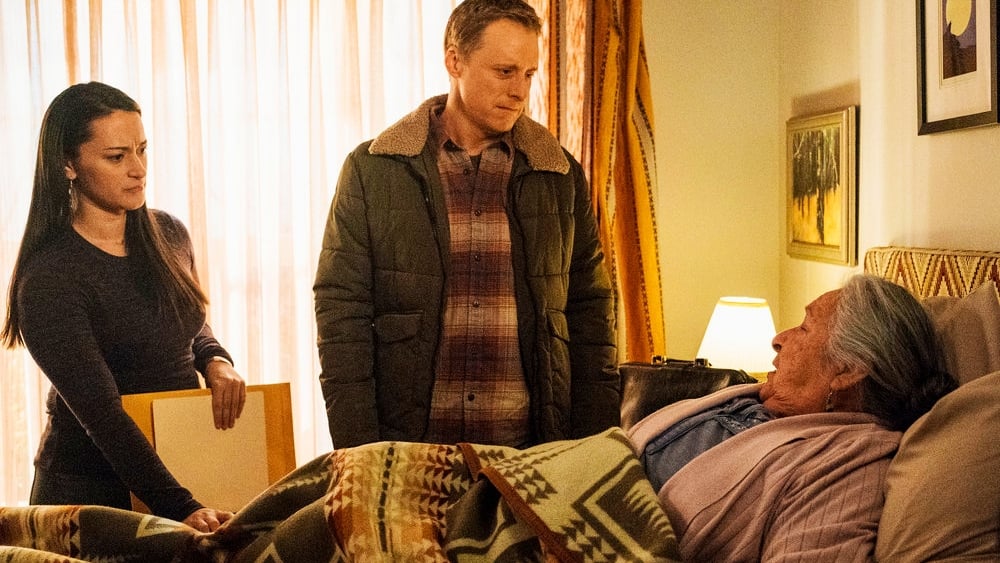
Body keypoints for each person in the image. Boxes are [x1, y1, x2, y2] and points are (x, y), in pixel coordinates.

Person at [314, 0, 618, 450]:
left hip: (529, 454)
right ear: (455, 61)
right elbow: (341, 312)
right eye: (504, 71)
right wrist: (360, 449)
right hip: (410, 449)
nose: (520, 91)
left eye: (529, 74)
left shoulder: (558, 174)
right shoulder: (374, 169)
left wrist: (594, 450)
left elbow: (591, 313)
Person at [1, 81, 246, 532]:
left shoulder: (169, 234)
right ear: (68, 165)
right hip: (90, 494)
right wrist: (180, 506)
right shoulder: (50, 277)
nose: (139, 169)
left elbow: (186, 320)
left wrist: (215, 360)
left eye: (142, 150)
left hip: (174, 467)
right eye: (116, 157)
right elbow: (103, 415)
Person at [628, 274, 959, 561]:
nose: (778, 340)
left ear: (848, 370)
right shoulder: (760, 398)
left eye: (804, 327)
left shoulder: (846, 466)